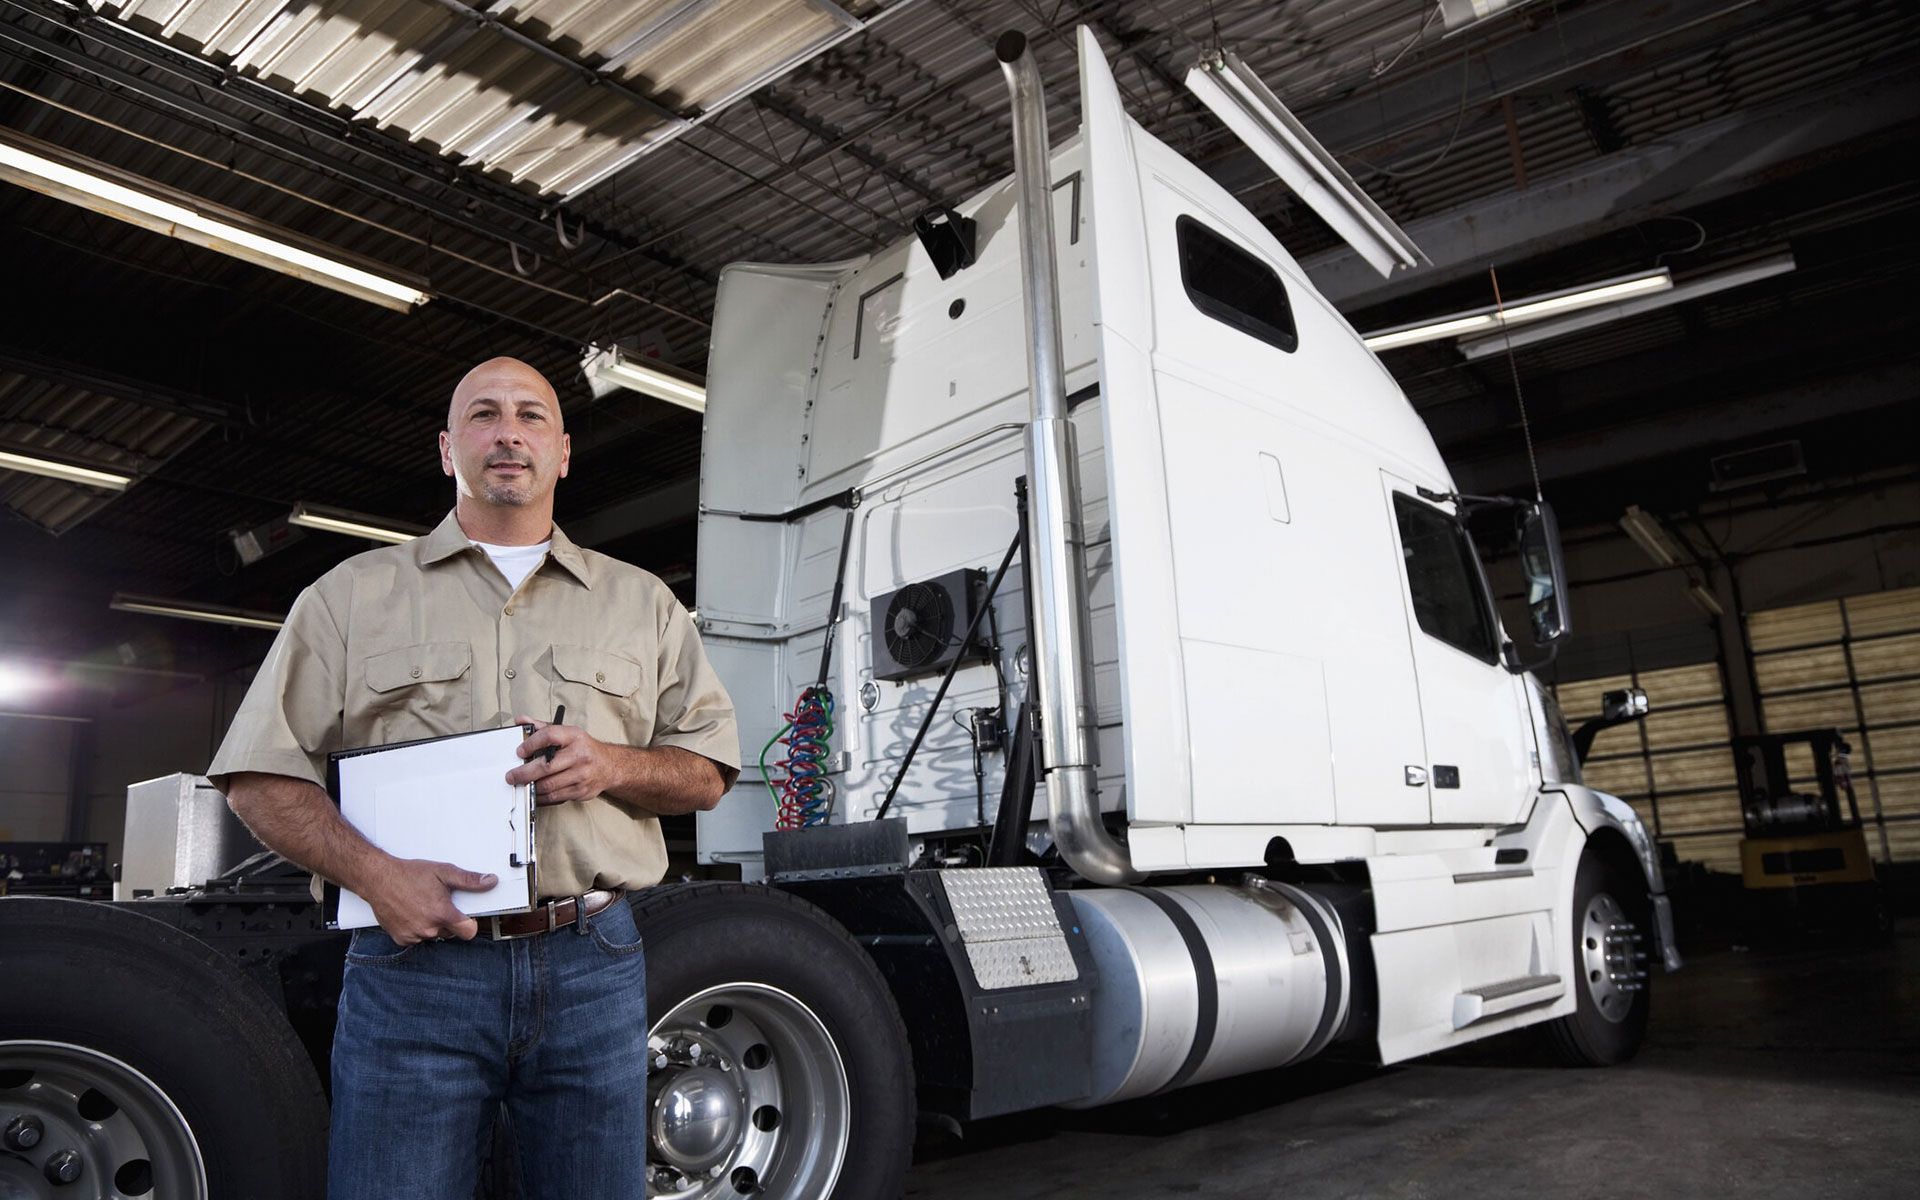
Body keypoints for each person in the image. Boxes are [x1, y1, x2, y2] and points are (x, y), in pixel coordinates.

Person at [209, 356, 739, 1198]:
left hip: (591, 964)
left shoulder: (644, 606)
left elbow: (706, 770)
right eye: (484, 415)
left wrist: (611, 764)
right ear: (448, 448)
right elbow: (257, 778)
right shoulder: (349, 598)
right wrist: (377, 877)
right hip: (414, 969)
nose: (508, 433)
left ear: (562, 452)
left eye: (530, 416)